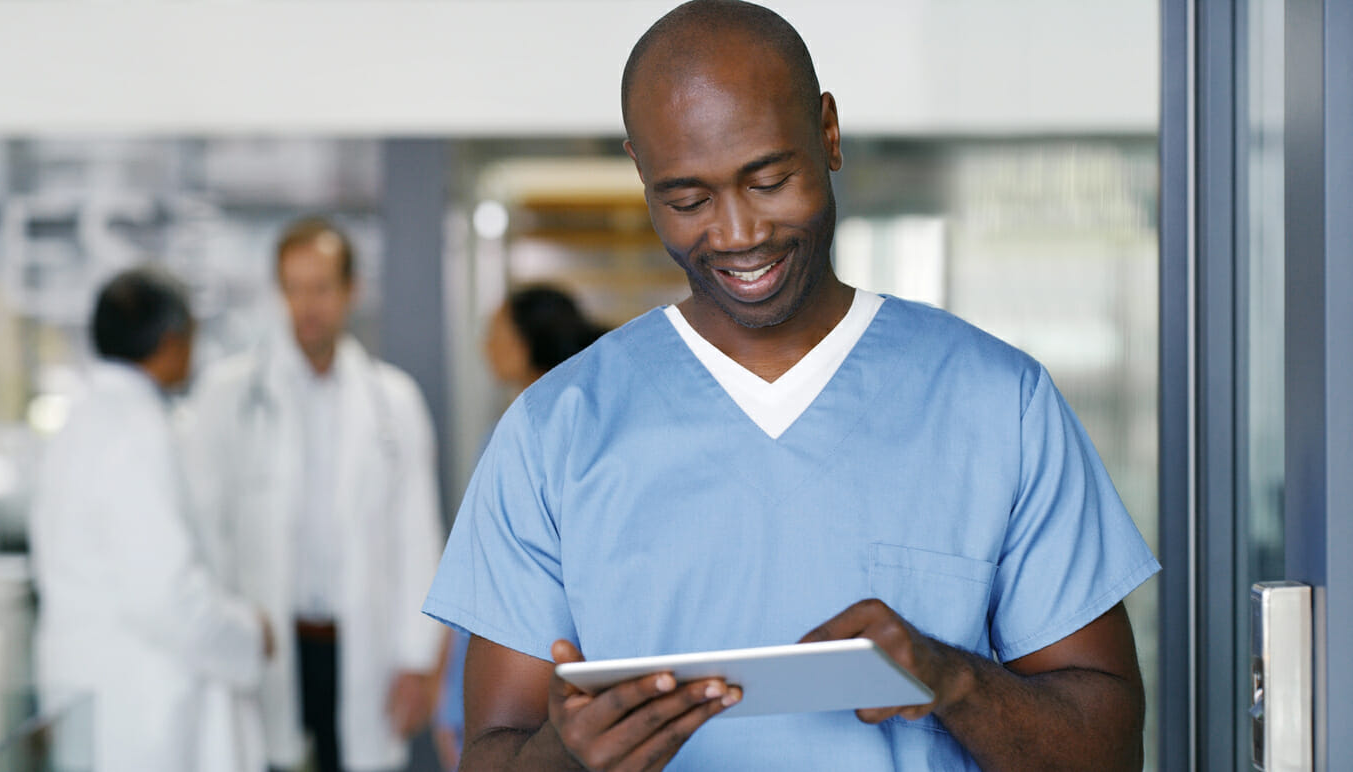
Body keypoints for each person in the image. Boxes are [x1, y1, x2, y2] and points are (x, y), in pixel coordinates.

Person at [423, 1, 1161, 770]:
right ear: (641, 172)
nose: (739, 234)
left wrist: (950, 679)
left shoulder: (998, 404)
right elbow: (490, 754)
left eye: (769, 180)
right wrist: (566, 756)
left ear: (829, 134)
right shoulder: (554, 432)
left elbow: (1108, 748)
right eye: (688, 200)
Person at [183, 218, 445, 772]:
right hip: (269, 642)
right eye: (294, 287)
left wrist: (417, 659)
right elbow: (206, 530)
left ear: (351, 291)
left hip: (360, 645)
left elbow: (417, 538)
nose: (307, 305)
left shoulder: (392, 401)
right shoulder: (228, 395)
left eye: (322, 287)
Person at [30, 267, 273, 772]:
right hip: (141, 707)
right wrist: (249, 634)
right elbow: (166, 596)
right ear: (169, 341)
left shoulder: (82, 423)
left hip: (100, 696)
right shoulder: (135, 434)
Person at [433, 285, 606, 771]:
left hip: (540, 676)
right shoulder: (558, 423)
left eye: (496, 334)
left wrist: (452, 707)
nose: (485, 346)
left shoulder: (526, 432)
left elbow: (486, 588)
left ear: (528, 341)